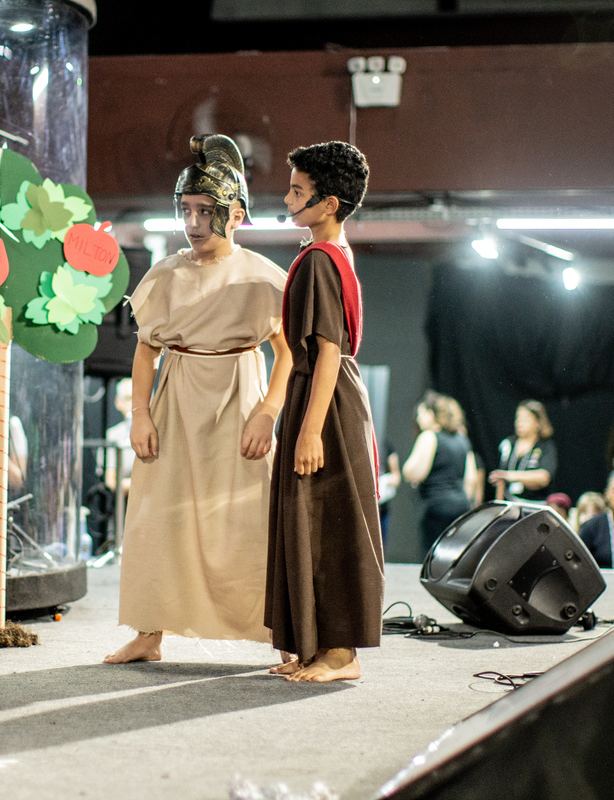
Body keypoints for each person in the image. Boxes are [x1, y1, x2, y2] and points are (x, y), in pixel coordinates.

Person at [105, 135, 293, 664]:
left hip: (239, 401)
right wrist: (140, 415)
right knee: (156, 516)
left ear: (234, 215)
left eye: (205, 211)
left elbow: (288, 354)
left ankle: (279, 634)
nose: (193, 222)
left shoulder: (260, 276)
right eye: (186, 209)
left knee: (249, 520)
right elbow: (146, 353)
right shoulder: (166, 273)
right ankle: (149, 634)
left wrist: (268, 412)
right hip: (176, 399)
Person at [266, 140, 383, 683]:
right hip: (326, 394)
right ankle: (317, 646)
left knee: (327, 519)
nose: (288, 198)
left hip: (325, 399)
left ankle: (340, 654)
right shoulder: (334, 251)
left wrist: (310, 430)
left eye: (298, 191)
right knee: (314, 516)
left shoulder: (318, 259)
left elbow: (329, 349)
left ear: (329, 203)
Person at [401, 391, 476, 556]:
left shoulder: (429, 436)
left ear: (431, 414)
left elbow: (414, 472)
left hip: (436, 508)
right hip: (461, 507)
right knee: (452, 556)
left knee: (432, 557)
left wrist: (409, 473)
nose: (418, 419)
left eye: (421, 414)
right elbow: (470, 478)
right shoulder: (462, 439)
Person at [489, 400, 557, 502]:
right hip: (510, 503)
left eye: (525, 419)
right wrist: (499, 505)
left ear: (538, 423)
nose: (519, 423)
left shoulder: (545, 446)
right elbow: (500, 479)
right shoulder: (508, 444)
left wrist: (510, 476)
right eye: (518, 418)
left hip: (535, 505)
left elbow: (543, 477)